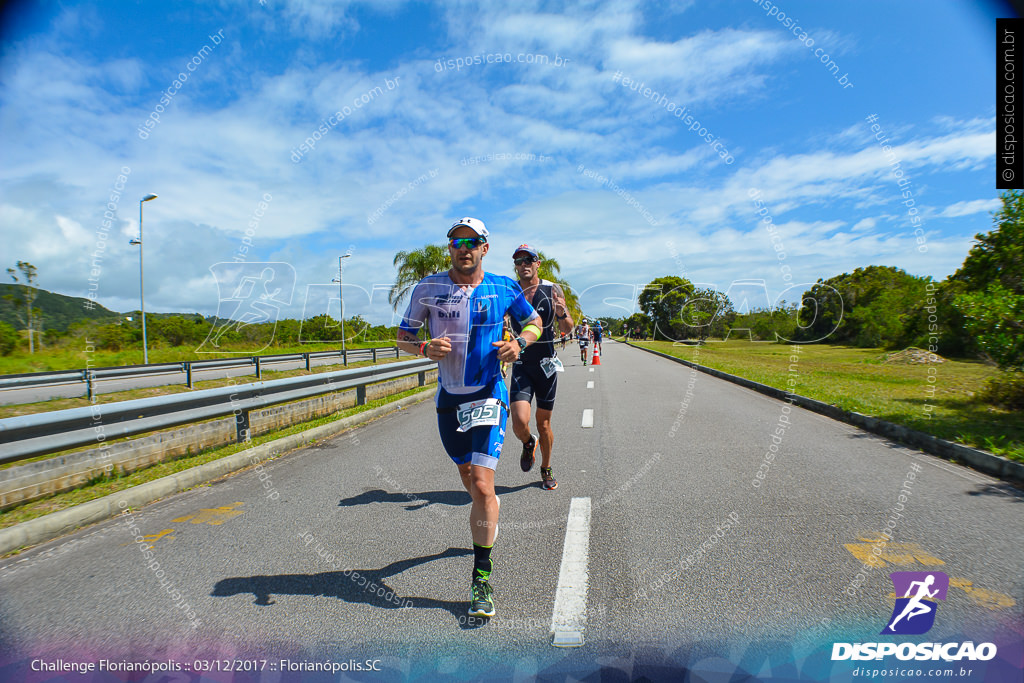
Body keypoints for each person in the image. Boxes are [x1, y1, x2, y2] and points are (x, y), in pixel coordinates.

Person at [397, 217, 542, 618]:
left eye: (472, 241)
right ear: (450, 249)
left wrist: (521, 343)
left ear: (484, 247)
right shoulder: (428, 288)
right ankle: (485, 509)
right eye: (457, 241)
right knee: (468, 478)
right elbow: (403, 336)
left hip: (488, 394)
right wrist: (424, 347)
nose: (464, 248)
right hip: (449, 400)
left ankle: (481, 577)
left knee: (480, 482)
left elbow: (534, 320)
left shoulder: (503, 287)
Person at [508, 244, 575, 491]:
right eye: (518, 261)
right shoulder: (511, 291)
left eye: (528, 260)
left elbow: (568, 328)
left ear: (537, 264)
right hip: (522, 364)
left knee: (543, 423)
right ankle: (528, 443)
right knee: (518, 422)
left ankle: (546, 468)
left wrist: (562, 312)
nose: (523, 265)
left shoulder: (551, 289)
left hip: (546, 365)